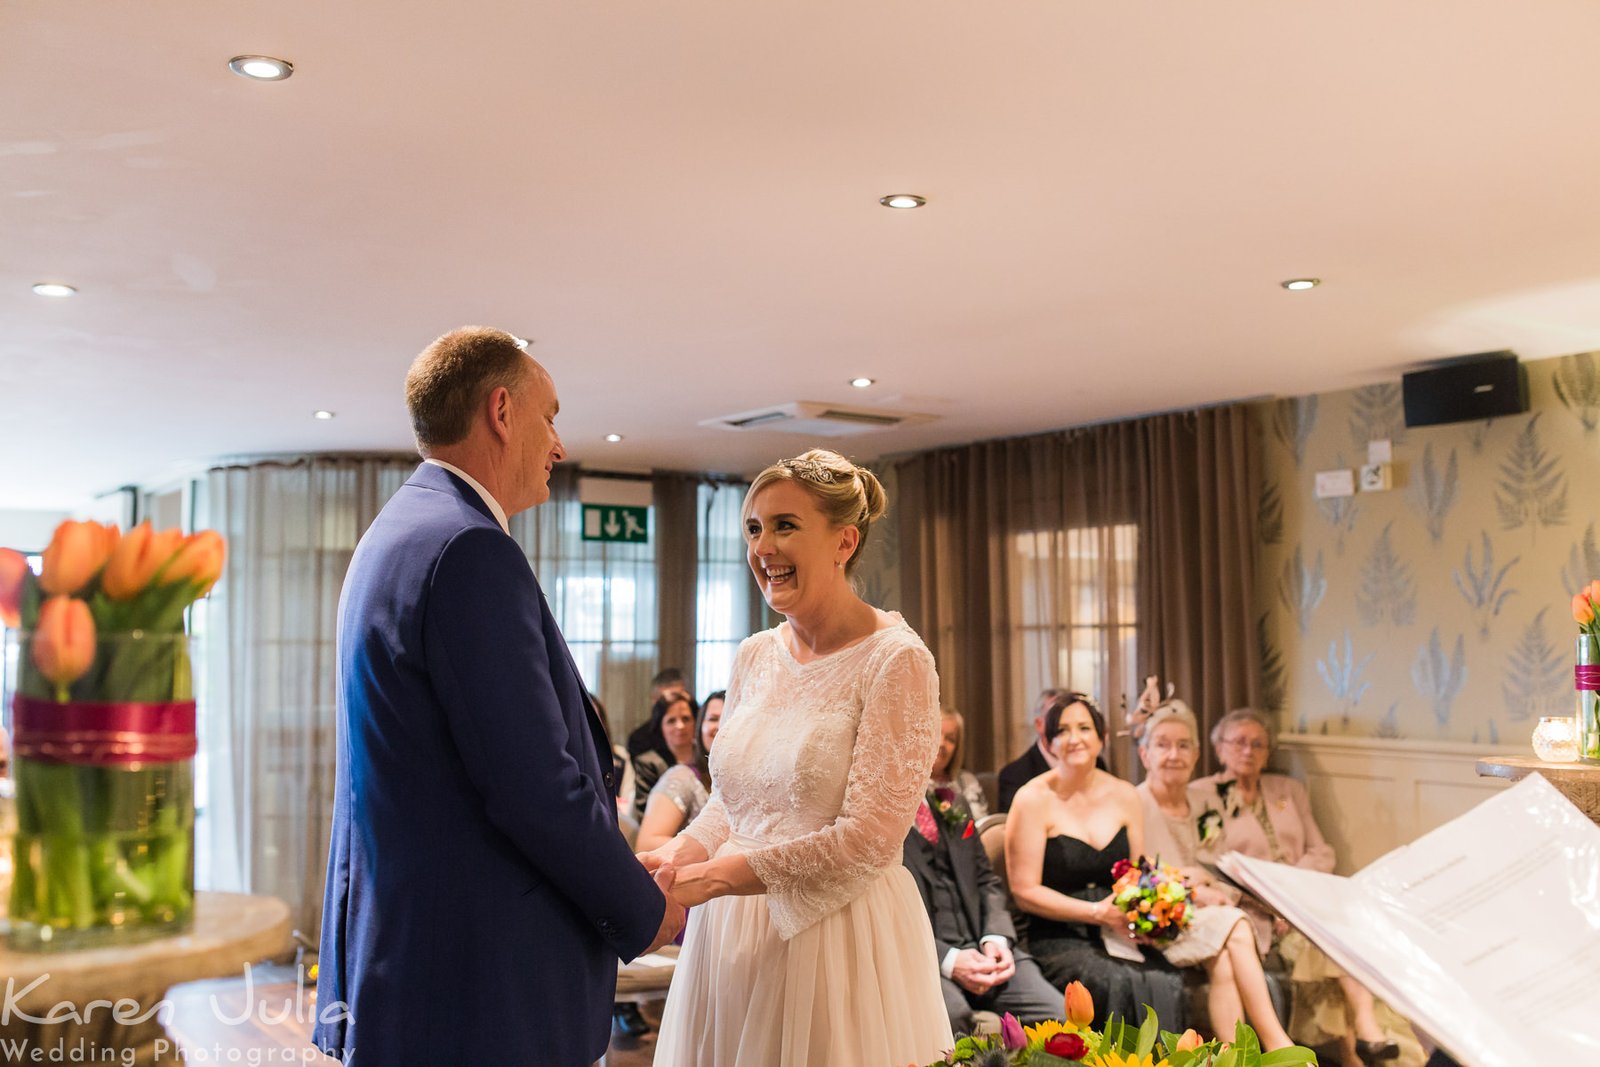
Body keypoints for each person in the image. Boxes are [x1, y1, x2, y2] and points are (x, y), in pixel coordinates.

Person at [314, 327, 683, 1067]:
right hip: (480, 984)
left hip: (411, 955)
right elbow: (532, 784)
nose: (558, 443)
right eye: (550, 416)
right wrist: (645, 912)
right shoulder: (469, 548)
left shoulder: (396, 531)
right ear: (503, 411)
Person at [642, 448, 952, 1066]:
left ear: (844, 541)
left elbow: (868, 838)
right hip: (728, 930)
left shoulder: (896, 660)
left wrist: (718, 877)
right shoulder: (755, 654)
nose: (764, 548)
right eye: (754, 528)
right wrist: (683, 853)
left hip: (833, 934)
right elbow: (737, 797)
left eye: (785, 526)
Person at [1192, 708, 1414, 1066]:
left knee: (1335, 933)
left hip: (1300, 901)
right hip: (1257, 911)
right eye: (1238, 742)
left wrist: (1291, 892)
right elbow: (1214, 865)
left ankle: (1360, 1040)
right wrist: (1272, 902)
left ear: (1268, 752)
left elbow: (1322, 851)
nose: (1248, 751)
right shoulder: (1205, 796)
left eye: (1258, 744)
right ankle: (1361, 1041)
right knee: (1326, 940)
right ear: (1219, 749)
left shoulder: (1288, 790)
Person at [1005, 694, 1187, 1029]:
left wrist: (1148, 912)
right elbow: (1023, 891)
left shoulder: (1125, 795)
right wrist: (1095, 913)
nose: (1074, 738)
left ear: (1101, 737)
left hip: (1117, 929)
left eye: (1084, 728)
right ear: (1047, 742)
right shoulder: (1032, 799)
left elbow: (1138, 874)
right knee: (1112, 982)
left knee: (1167, 979)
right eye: (1062, 730)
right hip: (1058, 932)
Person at [1135, 701, 1292, 1048]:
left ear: (1195, 755)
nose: (1174, 754)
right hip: (1163, 917)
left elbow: (1220, 866)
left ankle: (1233, 1055)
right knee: (1235, 926)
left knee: (1222, 963)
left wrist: (1213, 887)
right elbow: (1139, 875)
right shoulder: (1134, 804)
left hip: (1210, 913)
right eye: (1162, 744)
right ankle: (1278, 1044)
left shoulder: (1207, 803)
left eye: (1183, 745)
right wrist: (1193, 888)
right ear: (1145, 754)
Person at [902, 774, 1060, 1035]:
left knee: (1056, 1015)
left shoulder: (953, 804)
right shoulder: (877, 822)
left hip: (981, 943)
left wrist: (996, 938)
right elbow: (887, 914)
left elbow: (986, 879)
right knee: (954, 1018)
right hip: (925, 957)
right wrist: (950, 960)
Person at [635, 691, 723, 853]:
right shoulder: (682, 776)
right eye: (713, 719)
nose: (721, 726)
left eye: (728, 718)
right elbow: (647, 843)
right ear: (700, 726)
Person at [629, 691, 701, 824]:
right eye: (671, 721)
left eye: (686, 719)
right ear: (660, 726)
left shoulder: (708, 759)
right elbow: (645, 816)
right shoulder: (649, 763)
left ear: (696, 722)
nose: (680, 726)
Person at [996, 687, 1067, 812]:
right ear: (1039, 724)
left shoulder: (1095, 764)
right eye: (1055, 720)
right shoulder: (1014, 775)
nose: (1064, 728)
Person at [932, 707, 990, 820]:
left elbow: (979, 825)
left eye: (950, 739)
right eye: (937, 734)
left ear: (957, 748)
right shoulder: (909, 786)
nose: (942, 744)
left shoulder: (967, 782)